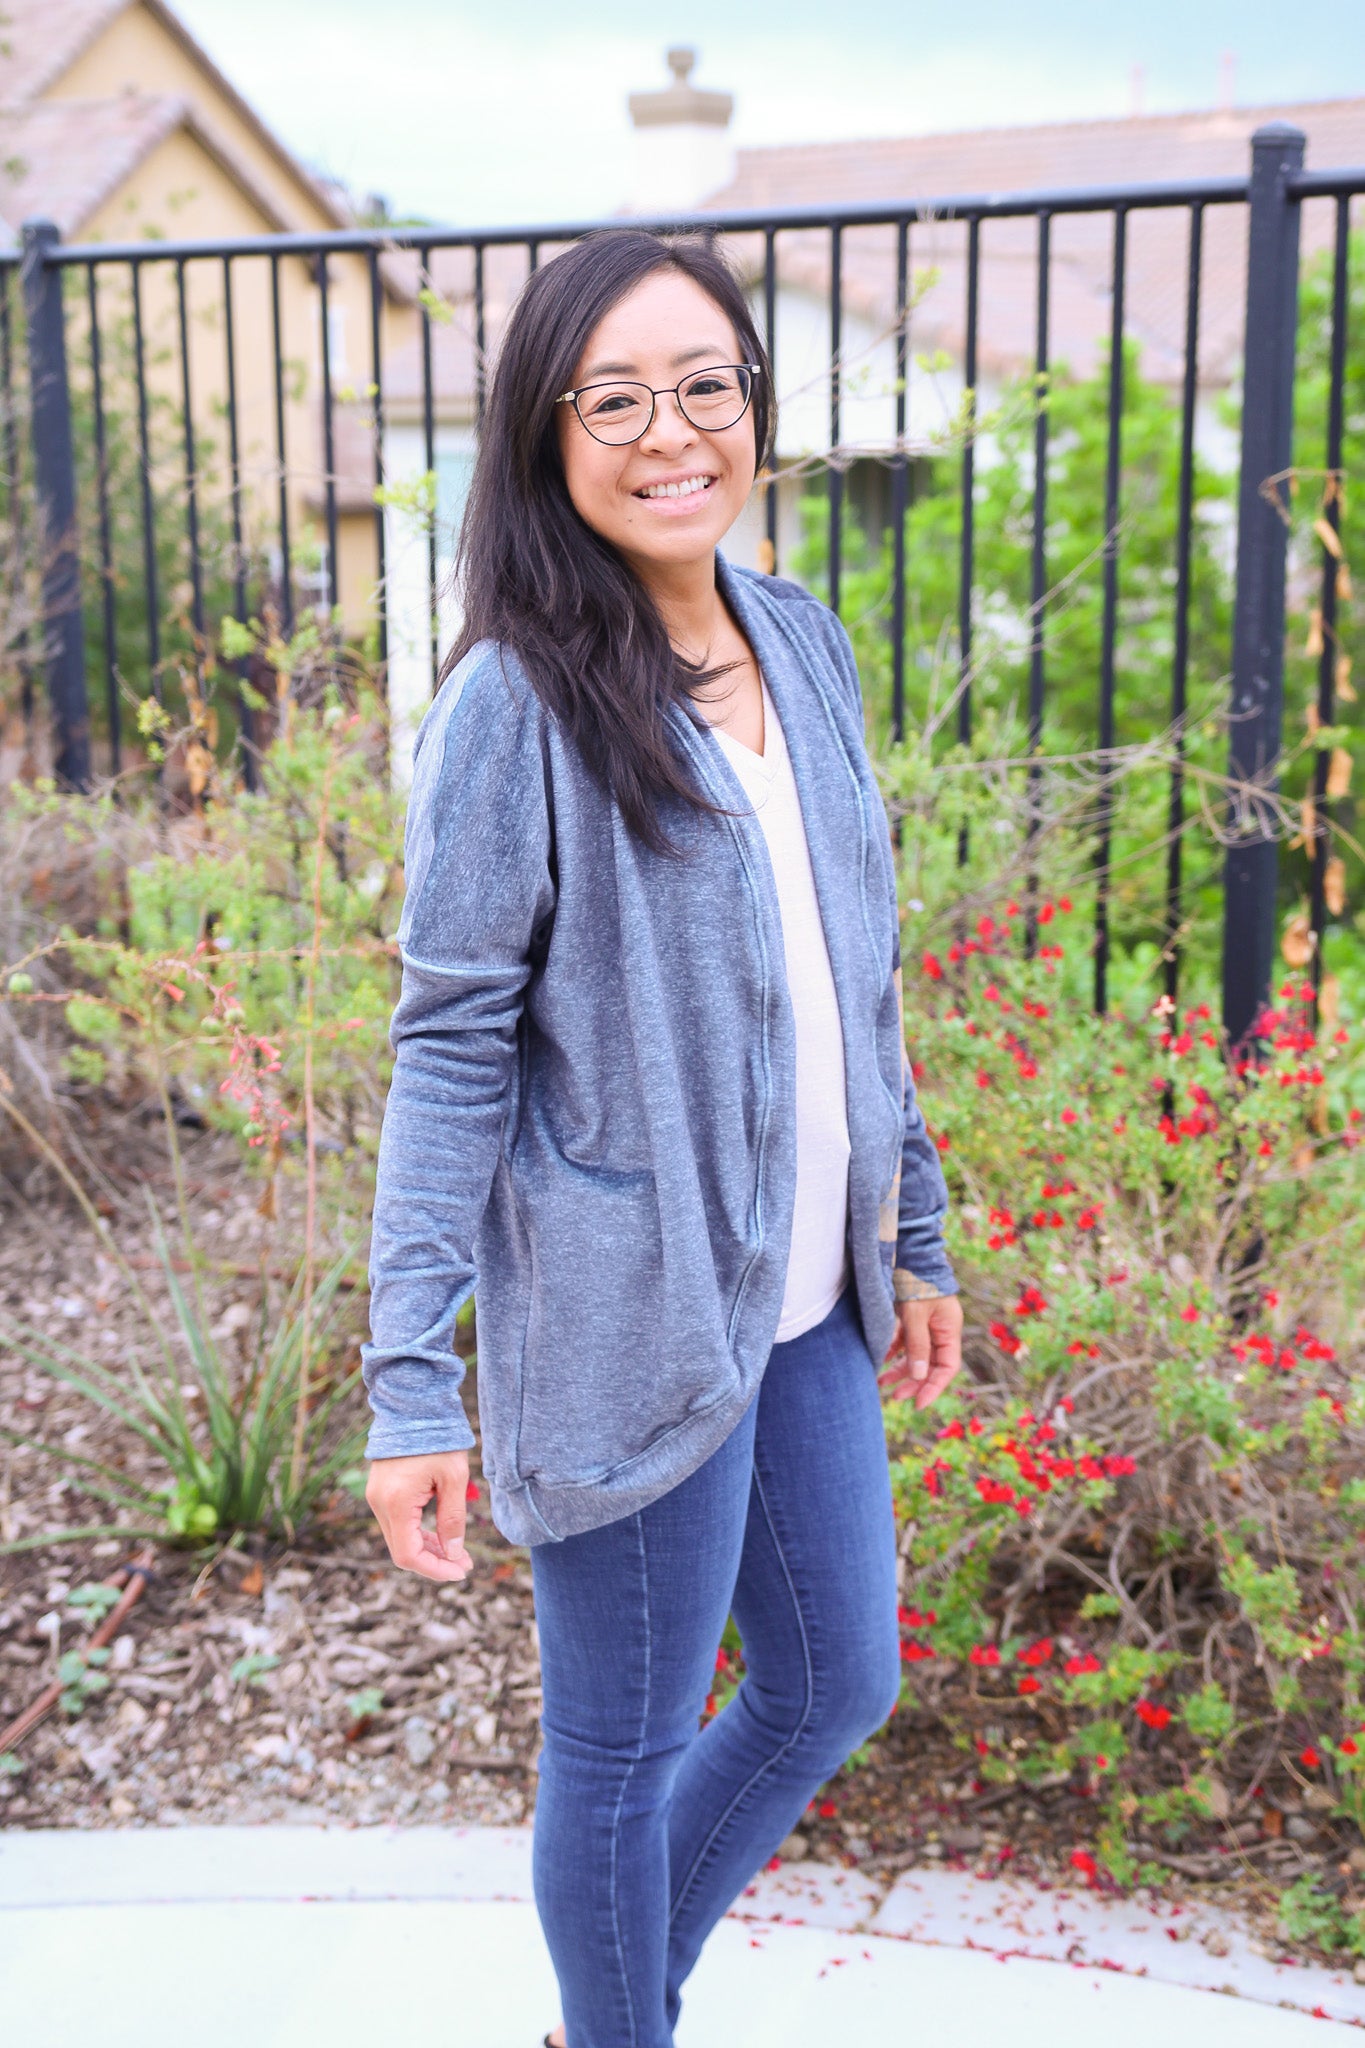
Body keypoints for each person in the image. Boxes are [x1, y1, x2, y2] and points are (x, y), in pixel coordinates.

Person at [361, 228, 964, 2048]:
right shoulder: (517, 703)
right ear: (547, 434)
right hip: (625, 1317)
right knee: (615, 1754)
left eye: (704, 385)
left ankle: (598, 2011)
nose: (668, 430)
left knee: (829, 1683)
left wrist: (911, 1224)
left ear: (753, 411)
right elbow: (449, 1047)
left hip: (806, 1306)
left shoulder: (802, 638)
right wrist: (410, 1381)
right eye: (612, 396)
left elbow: (854, 962)